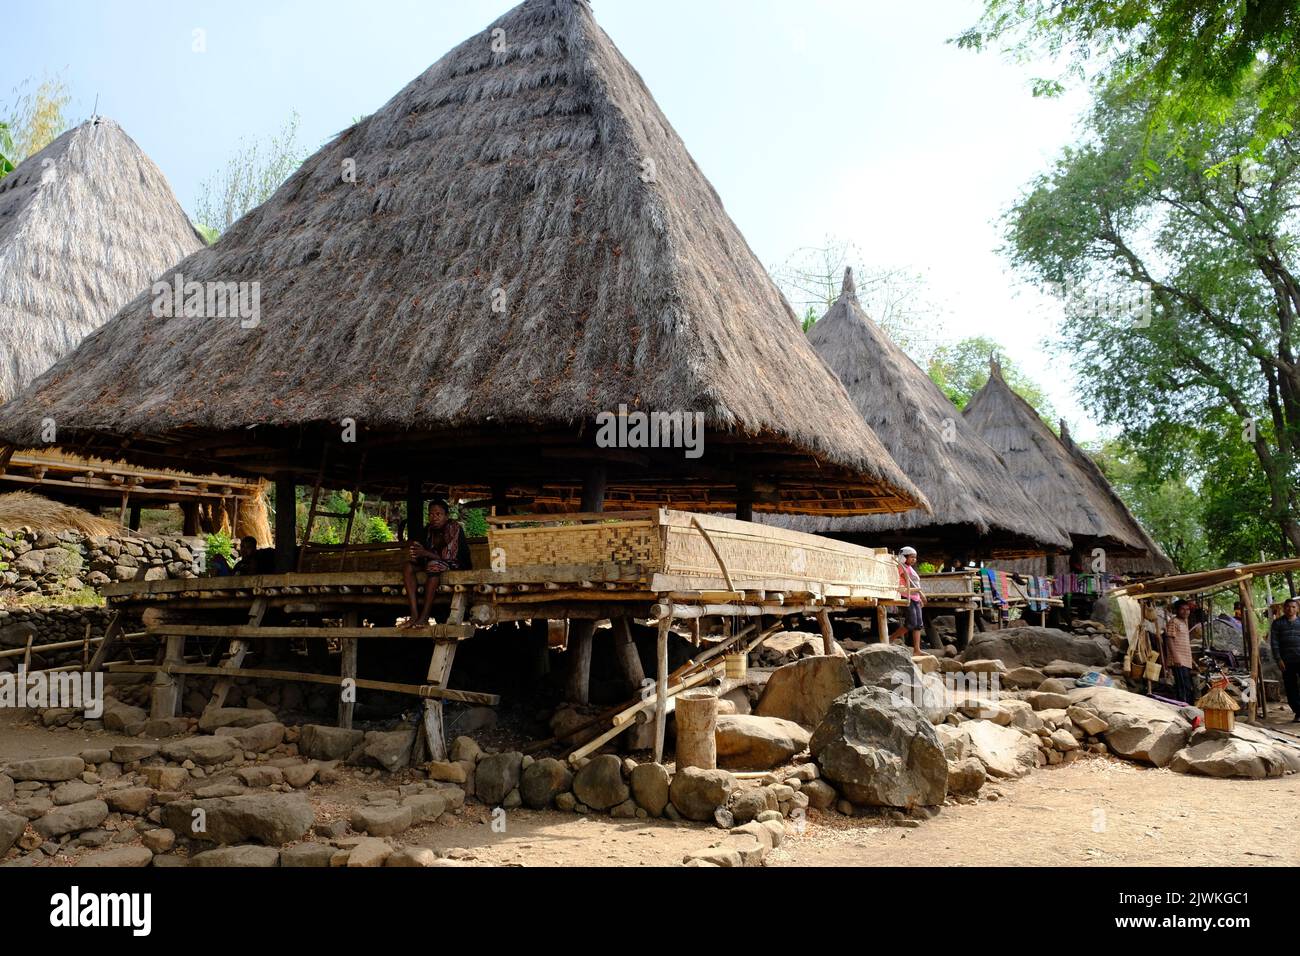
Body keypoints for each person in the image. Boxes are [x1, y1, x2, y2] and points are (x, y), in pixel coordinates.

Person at [402, 500, 466, 628]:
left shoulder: (454, 528)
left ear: (446, 516)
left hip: (456, 565)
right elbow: (423, 551)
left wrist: (425, 553)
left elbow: (449, 557)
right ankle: (414, 614)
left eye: (438, 514)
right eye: (431, 514)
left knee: (434, 565)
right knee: (408, 566)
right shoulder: (429, 529)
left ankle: (425, 616)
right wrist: (417, 550)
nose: (434, 518)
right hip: (433, 563)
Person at [1269, 596, 1300, 721]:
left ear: (1297, 609)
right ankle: (1298, 712)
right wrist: (1278, 659)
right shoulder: (1278, 623)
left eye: (1293, 607)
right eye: (1288, 607)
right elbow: (1274, 643)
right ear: (1283, 608)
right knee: (1290, 687)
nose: (1290, 609)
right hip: (1286, 661)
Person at [891, 546, 925, 654]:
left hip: (915, 597)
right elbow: (907, 582)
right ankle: (890, 638)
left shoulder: (910, 568)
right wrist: (921, 594)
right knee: (911, 623)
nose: (914, 559)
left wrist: (919, 597)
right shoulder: (901, 567)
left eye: (915, 557)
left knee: (918, 624)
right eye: (911, 557)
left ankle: (917, 649)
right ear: (904, 557)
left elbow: (914, 583)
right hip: (906, 596)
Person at [1164, 599, 1197, 704]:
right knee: (1182, 686)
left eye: (1187, 609)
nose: (1185, 611)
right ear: (1177, 610)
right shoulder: (1174, 622)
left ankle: (1186, 706)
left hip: (1185, 660)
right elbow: (1169, 639)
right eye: (1182, 609)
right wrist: (1176, 657)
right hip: (1178, 659)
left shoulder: (1184, 622)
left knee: (1186, 685)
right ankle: (1182, 706)